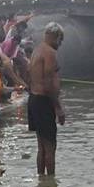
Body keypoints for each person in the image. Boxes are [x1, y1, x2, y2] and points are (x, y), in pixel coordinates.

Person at [27, 22, 66, 175]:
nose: (60, 44)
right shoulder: (49, 52)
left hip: (34, 99)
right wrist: (58, 107)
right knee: (50, 147)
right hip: (43, 101)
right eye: (60, 40)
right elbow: (49, 83)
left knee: (41, 146)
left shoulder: (37, 50)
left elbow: (29, 75)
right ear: (54, 36)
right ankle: (50, 185)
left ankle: (42, 183)